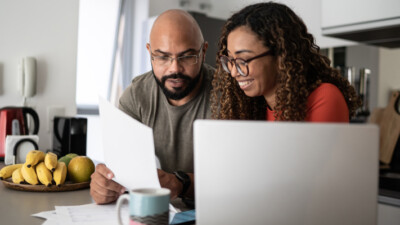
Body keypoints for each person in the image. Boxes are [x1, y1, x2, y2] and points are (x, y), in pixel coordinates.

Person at [90, 9, 215, 205]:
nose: (174, 68)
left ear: (204, 51)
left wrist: (179, 183)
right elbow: (120, 172)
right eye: (163, 57)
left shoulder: (228, 96)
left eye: (187, 56)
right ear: (149, 52)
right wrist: (105, 185)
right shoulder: (135, 96)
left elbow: (239, 178)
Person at [211, 2, 361, 121]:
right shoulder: (251, 107)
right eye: (230, 60)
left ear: (280, 56)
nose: (233, 72)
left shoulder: (324, 97)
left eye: (243, 60)